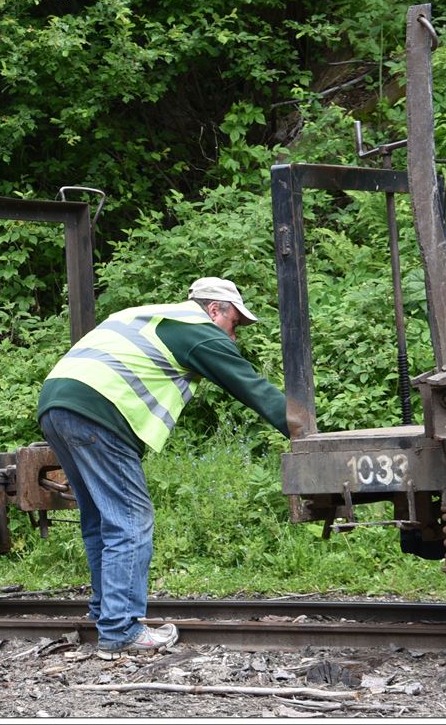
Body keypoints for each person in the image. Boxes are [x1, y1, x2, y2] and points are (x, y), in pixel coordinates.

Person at [37, 276, 289, 659]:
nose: (232, 337)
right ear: (214, 309)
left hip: (57, 404)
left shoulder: (152, 316)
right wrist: (300, 428)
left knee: (99, 520)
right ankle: (120, 630)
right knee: (130, 519)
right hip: (98, 411)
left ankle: (106, 613)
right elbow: (252, 387)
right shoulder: (197, 330)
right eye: (234, 324)